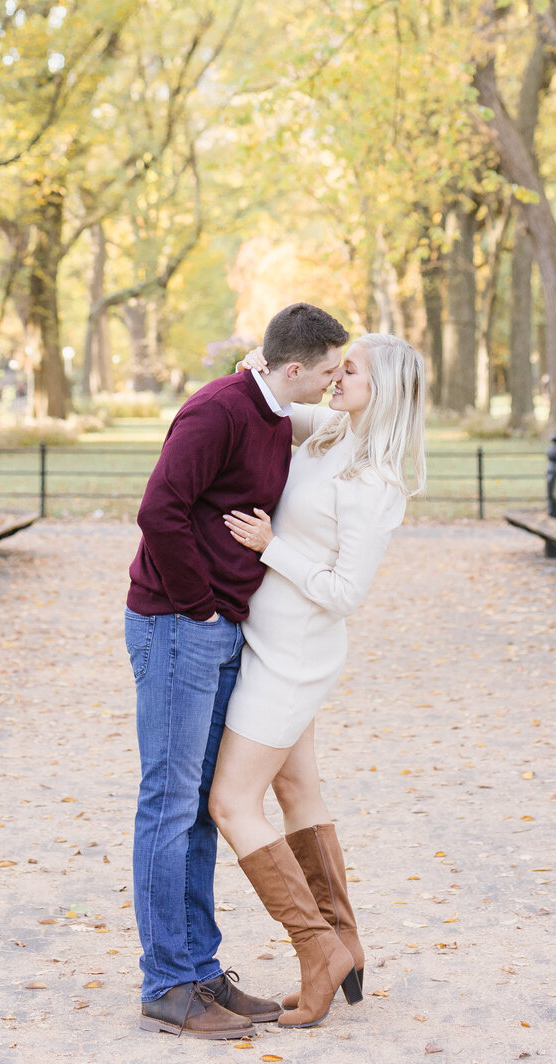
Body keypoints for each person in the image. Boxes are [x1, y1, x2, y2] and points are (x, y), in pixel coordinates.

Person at [125, 301, 349, 1043]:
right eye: (324, 372)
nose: (330, 383)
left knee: (199, 806)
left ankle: (200, 968)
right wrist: (197, 608)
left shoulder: (276, 415)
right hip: (175, 625)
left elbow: (355, 430)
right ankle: (167, 983)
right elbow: (159, 510)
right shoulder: (218, 411)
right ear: (292, 368)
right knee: (168, 799)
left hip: (219, 631)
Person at [208, 332, 427, 1029]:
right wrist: (259, 360)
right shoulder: (331, 432)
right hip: (272, 639)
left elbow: (343, 593)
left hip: (293, 656)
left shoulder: (374, 485)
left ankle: (316, 950)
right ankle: (346, 944)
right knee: (296, 788)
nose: (335, 376)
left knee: (230, 802)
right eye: (332, 367)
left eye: (349, 369)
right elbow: (272, 398)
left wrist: (275, 548)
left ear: (380, 387)